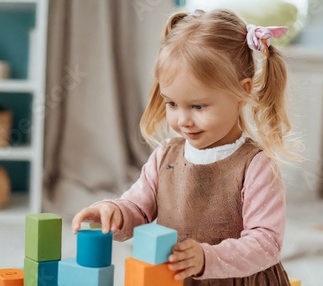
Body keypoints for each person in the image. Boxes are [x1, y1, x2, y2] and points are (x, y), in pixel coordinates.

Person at [72, 8, 301, 285]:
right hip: (177, 279)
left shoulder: (256, 165)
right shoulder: (165, 156)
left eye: (198, 106)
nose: (183, 121)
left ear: (243, 91)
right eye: (171, 104)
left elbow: (266, 243)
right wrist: (114, 213)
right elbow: (138, 207)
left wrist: (207, 258)